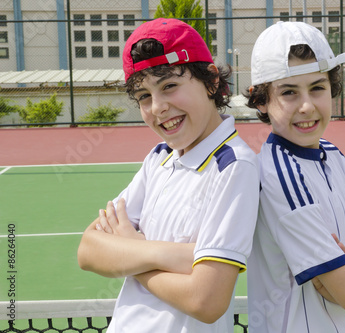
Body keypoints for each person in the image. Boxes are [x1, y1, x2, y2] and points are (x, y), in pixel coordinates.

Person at [77, 18, 259, 333]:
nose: (158, 107)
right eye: (144, 96)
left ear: (211, 81)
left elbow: (207, 300)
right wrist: (178, 256)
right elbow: (88, 250)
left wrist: (130, 255)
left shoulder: (233, 167)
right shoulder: (159, 158)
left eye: (169, 86)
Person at [245, 21, 345, 332]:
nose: (307, 105)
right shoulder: (279, 177)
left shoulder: (332, 154)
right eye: (289, 92)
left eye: (317, 87)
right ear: (261, 101)